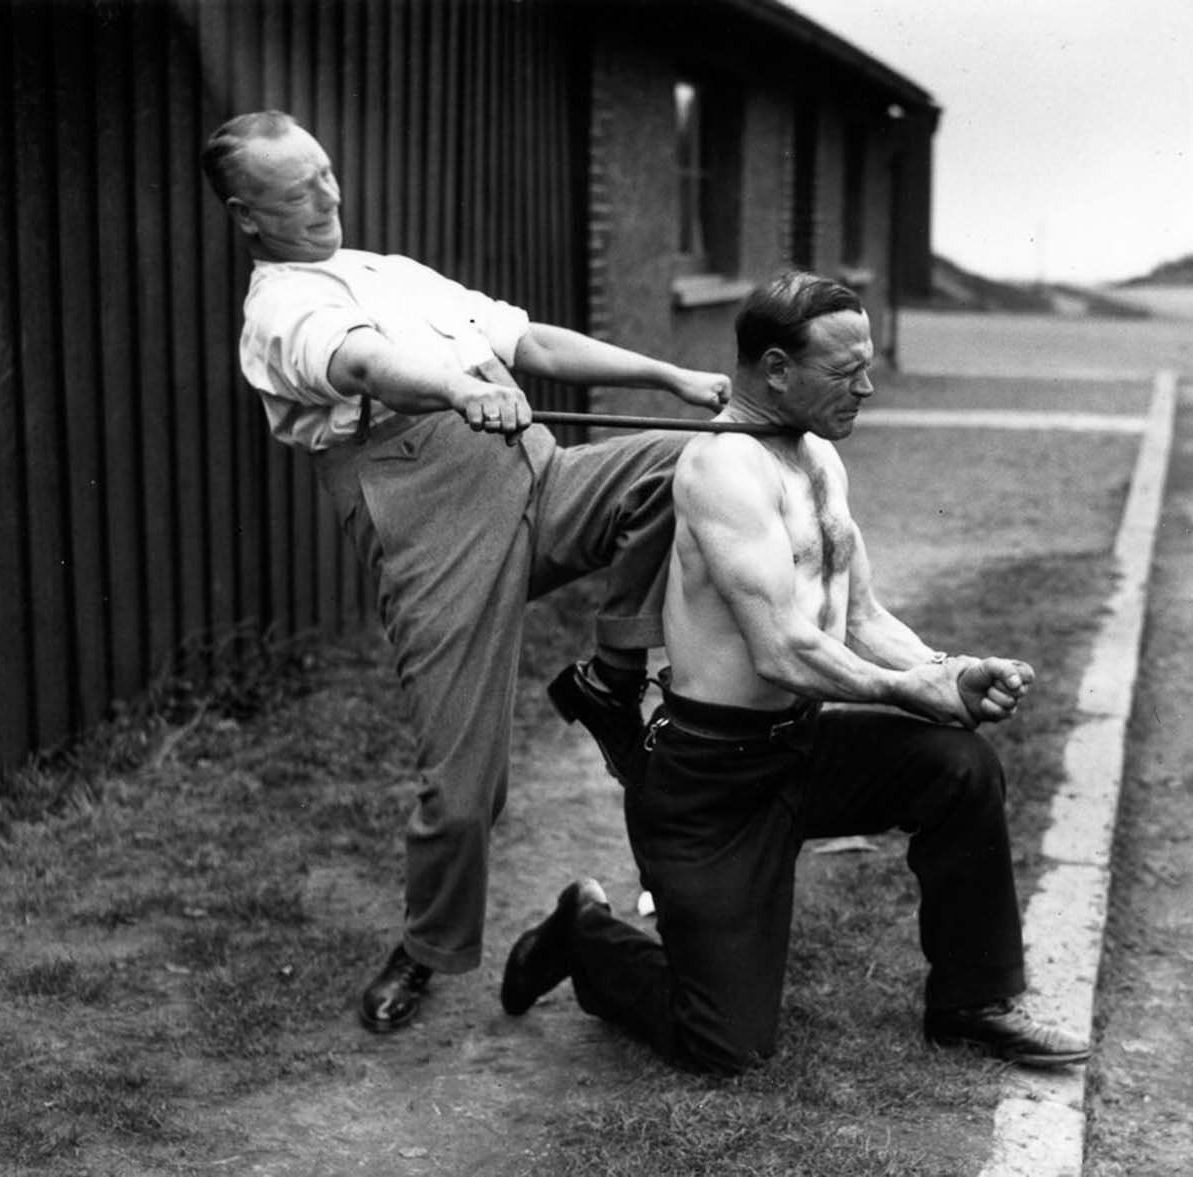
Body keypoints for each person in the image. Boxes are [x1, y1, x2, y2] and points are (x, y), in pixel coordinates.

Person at [200, 110, 731, 1034]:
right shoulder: (278, 310)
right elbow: (365, 361)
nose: (326, 195)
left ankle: (612, 676)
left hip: (538, 474)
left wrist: (669, 376)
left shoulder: (390, 273)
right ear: (249, 216)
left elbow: (532, 344)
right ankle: (427, 946)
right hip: (431, 526)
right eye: (296, 190)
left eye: (325, 172)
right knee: (464, 787)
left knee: (687, 466)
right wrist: (456, 385)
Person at [500, 271, 1091, 1074]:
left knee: (960, 767)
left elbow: (860, 618)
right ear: (776, 369)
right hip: (710, 781)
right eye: (847, 374)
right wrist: (902, 690)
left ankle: (972, 1002)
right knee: (726, 1044)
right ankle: (583, 931)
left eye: (868, 366)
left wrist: (946, 669)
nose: (870, 388)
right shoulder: (721, 471)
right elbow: (782, 647)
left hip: (800, 746)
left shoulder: (815, 456)